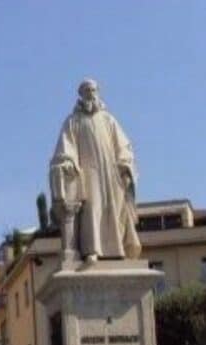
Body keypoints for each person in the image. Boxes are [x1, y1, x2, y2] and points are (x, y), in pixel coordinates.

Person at [49, 78, 141, 268]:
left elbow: (124, 146)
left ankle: (117, 250)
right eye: (87, 90)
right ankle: (92, 251)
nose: (91, 93)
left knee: (114, 210)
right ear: (80, 94)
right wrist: (68, 162)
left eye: (93, 90)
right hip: (87, 175)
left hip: (110, 173)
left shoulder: (109, 120)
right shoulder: (73, 121)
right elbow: (66, 148)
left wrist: (124, 163)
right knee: (93, 209)